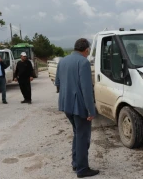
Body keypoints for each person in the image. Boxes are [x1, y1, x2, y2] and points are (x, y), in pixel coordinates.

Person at [55, 38, 99, 178]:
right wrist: (91, 110)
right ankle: (82, 169)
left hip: (66, 105)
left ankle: (76, 163)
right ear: (86, 50)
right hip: (79, 107)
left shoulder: (62, 61)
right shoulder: (83, 62)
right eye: (88, 51)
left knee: (77, 134)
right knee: (82, 137)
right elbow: (86, 89)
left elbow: (57, 82)